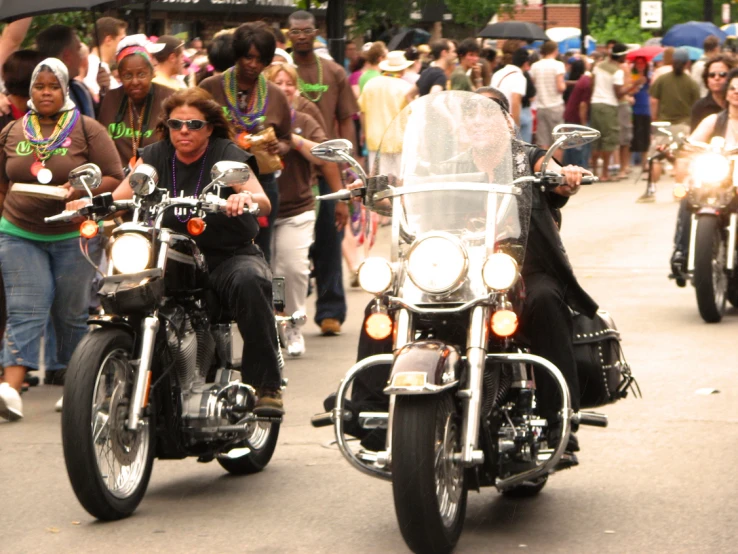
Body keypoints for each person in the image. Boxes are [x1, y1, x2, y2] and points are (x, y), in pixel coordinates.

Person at [333, 92, 595, 460]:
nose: (477, 121)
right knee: (386, 304)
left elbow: (554, 179)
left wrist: (566, 177)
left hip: (518, 269)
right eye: (470, 115)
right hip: (459, 270)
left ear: (507, 121)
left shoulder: (531, 158)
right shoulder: (450, 167)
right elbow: (414, 198)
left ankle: (559, 418)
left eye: (487, 114)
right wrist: (373, 191)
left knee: (547, 300)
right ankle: (369, 410)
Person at [74, 87, 284, 413]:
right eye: (176, 124)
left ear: (209, 128)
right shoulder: (155, 156)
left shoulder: (226, 154)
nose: (184, 131)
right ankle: (117, 375)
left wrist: (245, 199)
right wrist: (90, 205)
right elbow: (120, 197)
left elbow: (263, 200)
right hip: (168, 256)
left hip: (225, 255)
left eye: (193, 125)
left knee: (249, 282)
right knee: (125, 290)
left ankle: (266, 385)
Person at [0, 58, 124, 420]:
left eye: (53, 86)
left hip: (73, 232)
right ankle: (10, 390)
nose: (46, 93)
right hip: (19, 232)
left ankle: (76, 384)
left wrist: (82, 190)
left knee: (70, 312)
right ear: (31, 92)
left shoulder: (88, 129)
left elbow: (115, 177)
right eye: (39, 87)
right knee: (27, 306)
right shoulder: (11, 132)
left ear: (65, 88)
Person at [199, 22, 292, 264]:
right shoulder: (210, 87)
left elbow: (287, 141)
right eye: (248, 57)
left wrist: (277, 147)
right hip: (217, 183)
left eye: (260, 59)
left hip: (262, 182)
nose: (253, 64)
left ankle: (261, 296)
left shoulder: (276, 94)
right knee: (215, 246)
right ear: (238, 54)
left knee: (260, 248)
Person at [288, 9, 353, 336]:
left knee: (331, 241)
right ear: (288, 34)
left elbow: (345, 120)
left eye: (306, 30)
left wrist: (349, 167)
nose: (301, 35)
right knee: (293, 250)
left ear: (316, 32)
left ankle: (331, 310)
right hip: (292, 172)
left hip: (328, 171)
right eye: (295, 31)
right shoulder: (280, 72)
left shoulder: (334, 71)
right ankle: (293, 305)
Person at [266, 62, 336, 356]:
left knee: (292, 269)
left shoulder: (304, 120)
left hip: (298, 209)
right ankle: (278, 321)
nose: (284, 88)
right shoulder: (254, 121)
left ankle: (293, 323)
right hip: (261, 212)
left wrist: (292, 140)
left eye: (289, 83)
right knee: (272, 273)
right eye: (277, 83)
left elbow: (324, 155)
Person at [670, 67, 738, 285]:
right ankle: (681, 252)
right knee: (690, 195)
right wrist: (680, 148)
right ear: (727, 93)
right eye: (733, 89)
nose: (737, 93)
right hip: (721, 179)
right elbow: (691, 144)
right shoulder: (714, 121)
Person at [98, 36, 174, 170]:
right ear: (119, 76)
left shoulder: (169, 98)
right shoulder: (110, 99)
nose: (135, 82)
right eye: (127, 76)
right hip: (117, 180)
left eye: (141, 74)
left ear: (152, 73)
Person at [647, 48, 700, 194]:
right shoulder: (691, 83)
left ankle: (651, 189)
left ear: (672, 62)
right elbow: (696, 106)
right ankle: (679, 189)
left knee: (656, 158)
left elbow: (653, 100)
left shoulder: (662, 80)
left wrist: (654, 118)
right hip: (683, 125)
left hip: (663, 124)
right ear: (687, 63)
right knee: (680, 159)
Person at [36, 25, 95, 118]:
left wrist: (104, 90)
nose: (81, 57)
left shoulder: (79, 89)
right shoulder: (38, 97)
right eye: (78, 49)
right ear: (67, 56)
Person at [590, 44, 627, 182]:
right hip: (609, 105)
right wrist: (634, 86)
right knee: (608, 140)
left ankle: (594, 171)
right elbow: (618, 93)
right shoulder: (617, 71)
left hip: (595, 103)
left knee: (595, 138)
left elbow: (591, 84)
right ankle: (605, 173)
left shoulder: (598, 66)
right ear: (621, 56)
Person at [529, 40, 566, 149]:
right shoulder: (558, 65)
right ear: (555, 50)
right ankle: (558, 165)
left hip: (540, 106)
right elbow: (560, 87)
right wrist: (564, 86)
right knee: (558, 141)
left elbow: (533, 84)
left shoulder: (535, 66)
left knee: (543, 140)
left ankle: (544, 165)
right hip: (555, 105)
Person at [84, 16, 127, 104]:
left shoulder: (99, 65)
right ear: (109, 40)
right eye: (121, 39)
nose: (125, 44)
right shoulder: (93, 67)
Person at [491, 47, 529, 132]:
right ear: (526, 64)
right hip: (508, 119)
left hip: (495, 118)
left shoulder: (497, 73)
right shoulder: (519, 77)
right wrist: (515, 128)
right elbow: (515, 102)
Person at [563, 58, 592, 168]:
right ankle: (580, 170)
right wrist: (584, 124)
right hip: (576, 119)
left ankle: (570, 168)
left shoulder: (583, 80)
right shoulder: (586, 83)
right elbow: (583, 105)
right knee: (579, 148)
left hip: (570, 116)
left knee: (570, 146)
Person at [691, 55, 734, 130]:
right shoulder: (699, 107)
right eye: (712, 75)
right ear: (706, 79)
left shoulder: (735, 103)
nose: (716, 78)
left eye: (722, 74)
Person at [630, 56, 652, 172]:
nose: (640, 66)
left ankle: (645, 163)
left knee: (645, 137)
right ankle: (629, 163)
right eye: (638, 63)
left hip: (646, 109)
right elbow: (629, 90)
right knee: (632, 137)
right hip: (634, 109)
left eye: (642, 63)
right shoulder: (631, 76)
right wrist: (636, 83)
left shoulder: (649, 78)